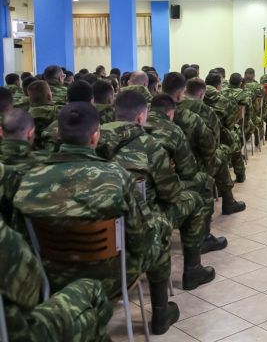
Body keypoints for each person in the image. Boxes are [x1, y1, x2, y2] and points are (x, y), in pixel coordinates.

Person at [14, 102, 179, 335]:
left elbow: (22, 243)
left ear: (59, 133)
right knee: (159, 229)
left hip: (53, 279)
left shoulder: (29, 180)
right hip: (112, 278)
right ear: (95, 136)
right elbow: (142, 238)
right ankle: (161, 314)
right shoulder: (116, 177)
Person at [96, 90, 216, 290]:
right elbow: (171, 194)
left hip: (98, 225)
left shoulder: (92, 138)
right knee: (194, 198)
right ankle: (192, 271)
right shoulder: (150, 146)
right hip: (141, 225)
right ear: (140, 117)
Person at [1, 205, 113, 342]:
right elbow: (31, 293)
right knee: (93, 290)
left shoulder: (21, 201)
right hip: (20, 335)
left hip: (50, 276)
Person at [145, 93, 227, 253]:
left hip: (125, 200)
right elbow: (188, 171)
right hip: (155, 199)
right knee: (204, 181)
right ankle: (201, 245)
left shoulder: (130, 128)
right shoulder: (173, 130)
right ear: (170, 113)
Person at [162, 73, 246, 215]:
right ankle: (228, 201)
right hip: (192, 166)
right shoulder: (203, 111)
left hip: (161, 167)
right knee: (220, 154)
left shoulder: (153, 108)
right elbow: (211, 147)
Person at [204, 71, 246, 183]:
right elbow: (230, 124)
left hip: (198, 139)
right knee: (234, 139)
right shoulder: (225, 100)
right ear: (219, 86)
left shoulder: (197, 97)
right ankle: (240, 174)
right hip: (218, 139)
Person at [244, 67, 267, 141]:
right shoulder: (260, 87)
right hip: (257, 114)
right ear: (254, 77)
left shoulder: (240, 85)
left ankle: (246, 135)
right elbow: (265, 102)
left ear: (244, 76)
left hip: (243, 115)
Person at [27, 81, 59, 150]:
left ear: (29, 99)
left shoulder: (25, 115)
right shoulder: (57, 112)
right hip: (52, 152)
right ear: (49, 96)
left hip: (33, 153)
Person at [223, 72, 255, 142]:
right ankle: (242, 142)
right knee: (251, 124)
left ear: (229, 81)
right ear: (240, 83)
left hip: (223, 125)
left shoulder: (221, 92)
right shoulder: (245, 95)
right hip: (239, 125)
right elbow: (249, 113)